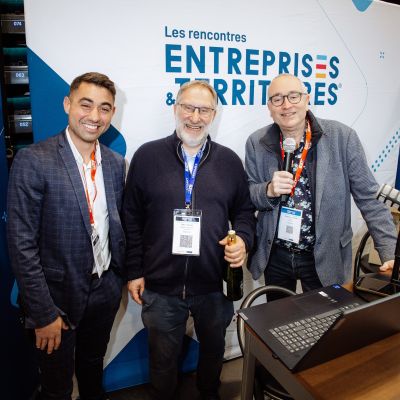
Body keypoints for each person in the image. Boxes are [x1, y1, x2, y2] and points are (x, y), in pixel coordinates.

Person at [123, 80, 255, 400]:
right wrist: (134, 270)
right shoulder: (147, 156)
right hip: (161, 286)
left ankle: (209, 394)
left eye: (204, 110)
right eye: (188, 107)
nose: (195, 117)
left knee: (213, 352)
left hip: (214, 284)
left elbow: (244, 212)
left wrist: (243, 241)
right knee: (162, 360)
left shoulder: (229, 161)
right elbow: (131, 218)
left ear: (214, 115)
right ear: (175, 108)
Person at [7, 72, 126, 400]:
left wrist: (118, 280)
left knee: (92, 368)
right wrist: (43, 313)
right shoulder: (34, 160)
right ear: (67, 104)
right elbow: (21, 244)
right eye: (85, 105)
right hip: (55, 300)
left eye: (104, 108)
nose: (94, 116)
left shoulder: (116, 164)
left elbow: (115, 226)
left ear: (112, 113)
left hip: (104, 291)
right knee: (56, 388)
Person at [245, 73, 396, 295]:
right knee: (277, 315)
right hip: (276, 254)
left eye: (293, 96)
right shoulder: (256, 142)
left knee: (327, 316)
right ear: (270, 108)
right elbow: (249, 194)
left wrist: (389, 252)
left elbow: (369, 199)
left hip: (325, 254)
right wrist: (268, 190)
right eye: (277, 99)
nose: (286, 105)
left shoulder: (342, 137)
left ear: (307, 99)